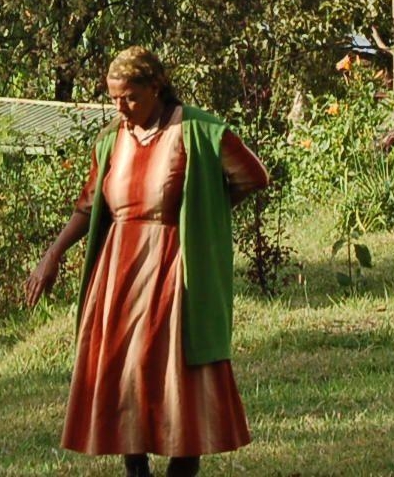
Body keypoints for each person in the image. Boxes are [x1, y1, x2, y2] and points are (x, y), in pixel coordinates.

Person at [23, 46, 271, 477]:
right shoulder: (110, 142)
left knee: (174, 366)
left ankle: (181, 466)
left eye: (130, 97)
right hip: (118, 269)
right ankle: (135, 466)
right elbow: (87, 207)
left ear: (156, 88)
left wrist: (204, 211)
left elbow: (253, 176)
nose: (121, 107)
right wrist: (52, 254)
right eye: (113, 98)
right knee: (124, 366)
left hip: (175, 265)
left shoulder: (197, 131)